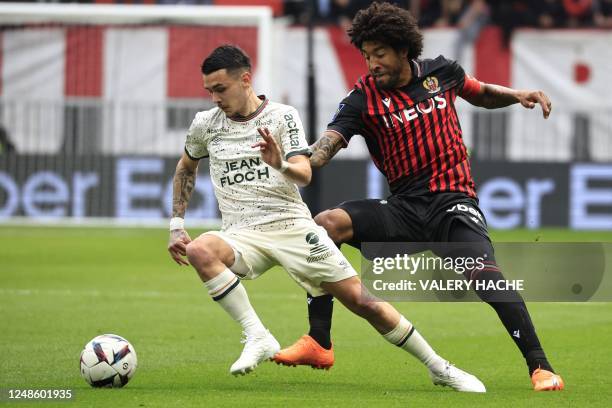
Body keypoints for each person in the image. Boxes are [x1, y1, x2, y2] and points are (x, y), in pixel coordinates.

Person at [272, 2, 565, 392]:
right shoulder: (362, 99)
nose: (372, 63)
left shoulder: (442, 72)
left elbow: (479, 93)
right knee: (325, 226)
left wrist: (517, 95)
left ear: (404, 49)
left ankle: (540, 367)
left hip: (453, 204)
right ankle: (319, 341)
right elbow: (328, 144)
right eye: (366, 55)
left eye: (379, 54)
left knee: (487, 278)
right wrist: (298, 158)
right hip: (405, 209)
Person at [167, 44, 485, 392]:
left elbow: (304, 174)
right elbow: (186, 168)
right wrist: (176, 225)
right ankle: (258, 336)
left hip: (292, 227)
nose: (214, 98)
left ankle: (439, 367)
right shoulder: (205, 124)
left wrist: (280, 164)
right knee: (200, 251)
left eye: (220, 89)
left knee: (364, 303)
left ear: (245, 80)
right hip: (242, 232)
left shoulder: (281, 116)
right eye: (209, 91)